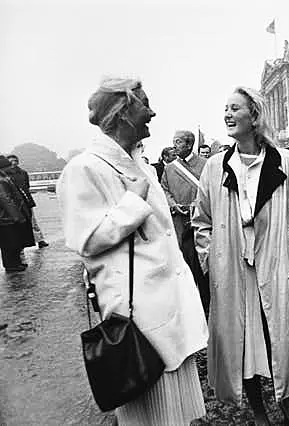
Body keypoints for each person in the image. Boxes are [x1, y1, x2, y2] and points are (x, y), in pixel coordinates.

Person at [57, 77, 208, 425]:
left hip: (166, 306)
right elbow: (86, 239)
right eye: (145, 104)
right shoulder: (83, 169)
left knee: (179, 415)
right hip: (139, 318)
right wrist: (132, 203)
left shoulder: (138, 165)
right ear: (123, 112)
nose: (152, 112)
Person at [192, 86, 289, 425]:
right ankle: (259, 410)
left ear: (254, 115)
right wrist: (212, 259)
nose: (228, 115)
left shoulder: (284, 162)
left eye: (235, 108)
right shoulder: (216, 167)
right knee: (241, 345)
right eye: (225, 109)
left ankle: (287, 401)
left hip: (274, 268)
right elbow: (200, 221)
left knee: (277, 337)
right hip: (232, 271)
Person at [161, 130, 209, 312]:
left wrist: (196, 206)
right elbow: (164, 190)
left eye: (178, 142)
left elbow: (211, 192)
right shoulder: (169, 168)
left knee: (205, 271)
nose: (174, 145)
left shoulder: (206, 165)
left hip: (203, 225)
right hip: (181, 226)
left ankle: (208, 310)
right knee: (185, 270)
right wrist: (173, 205)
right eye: (173, 141)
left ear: (189, 145)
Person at [0, 155, 35, 272]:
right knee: (8, 243)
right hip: (6, 217)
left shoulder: (4, 177)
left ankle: (15, 262)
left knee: (14, 241)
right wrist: (17, 216)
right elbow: (6, 200)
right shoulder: (2, 180)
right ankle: (11, 265)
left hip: (8, 216)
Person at [6, 154, 49, 249]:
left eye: (15, 160)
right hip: (14, 202)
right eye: (11, 161)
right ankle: (22, 242)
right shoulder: (6, 175)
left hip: (26, 199)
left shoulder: (23, 172)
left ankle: (40, 240)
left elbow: (27, 186)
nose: (13, 163)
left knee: (33, 221)